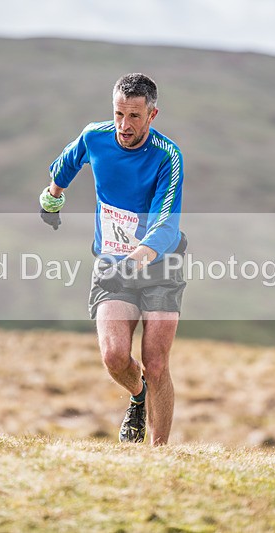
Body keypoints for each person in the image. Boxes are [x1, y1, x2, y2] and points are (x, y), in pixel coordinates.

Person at [39, 73, 186, 446]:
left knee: (156, 363)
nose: (124, 125)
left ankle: (158, 454)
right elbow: (65, 165)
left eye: (135, 116)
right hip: (112, 263)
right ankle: (138, 397)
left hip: (160, 266)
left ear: (153, 115)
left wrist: (138, 256)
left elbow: (167, 224)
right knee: (114, 356)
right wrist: (52, 199)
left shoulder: (168, 156)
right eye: (119, 113)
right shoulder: (95, 137)